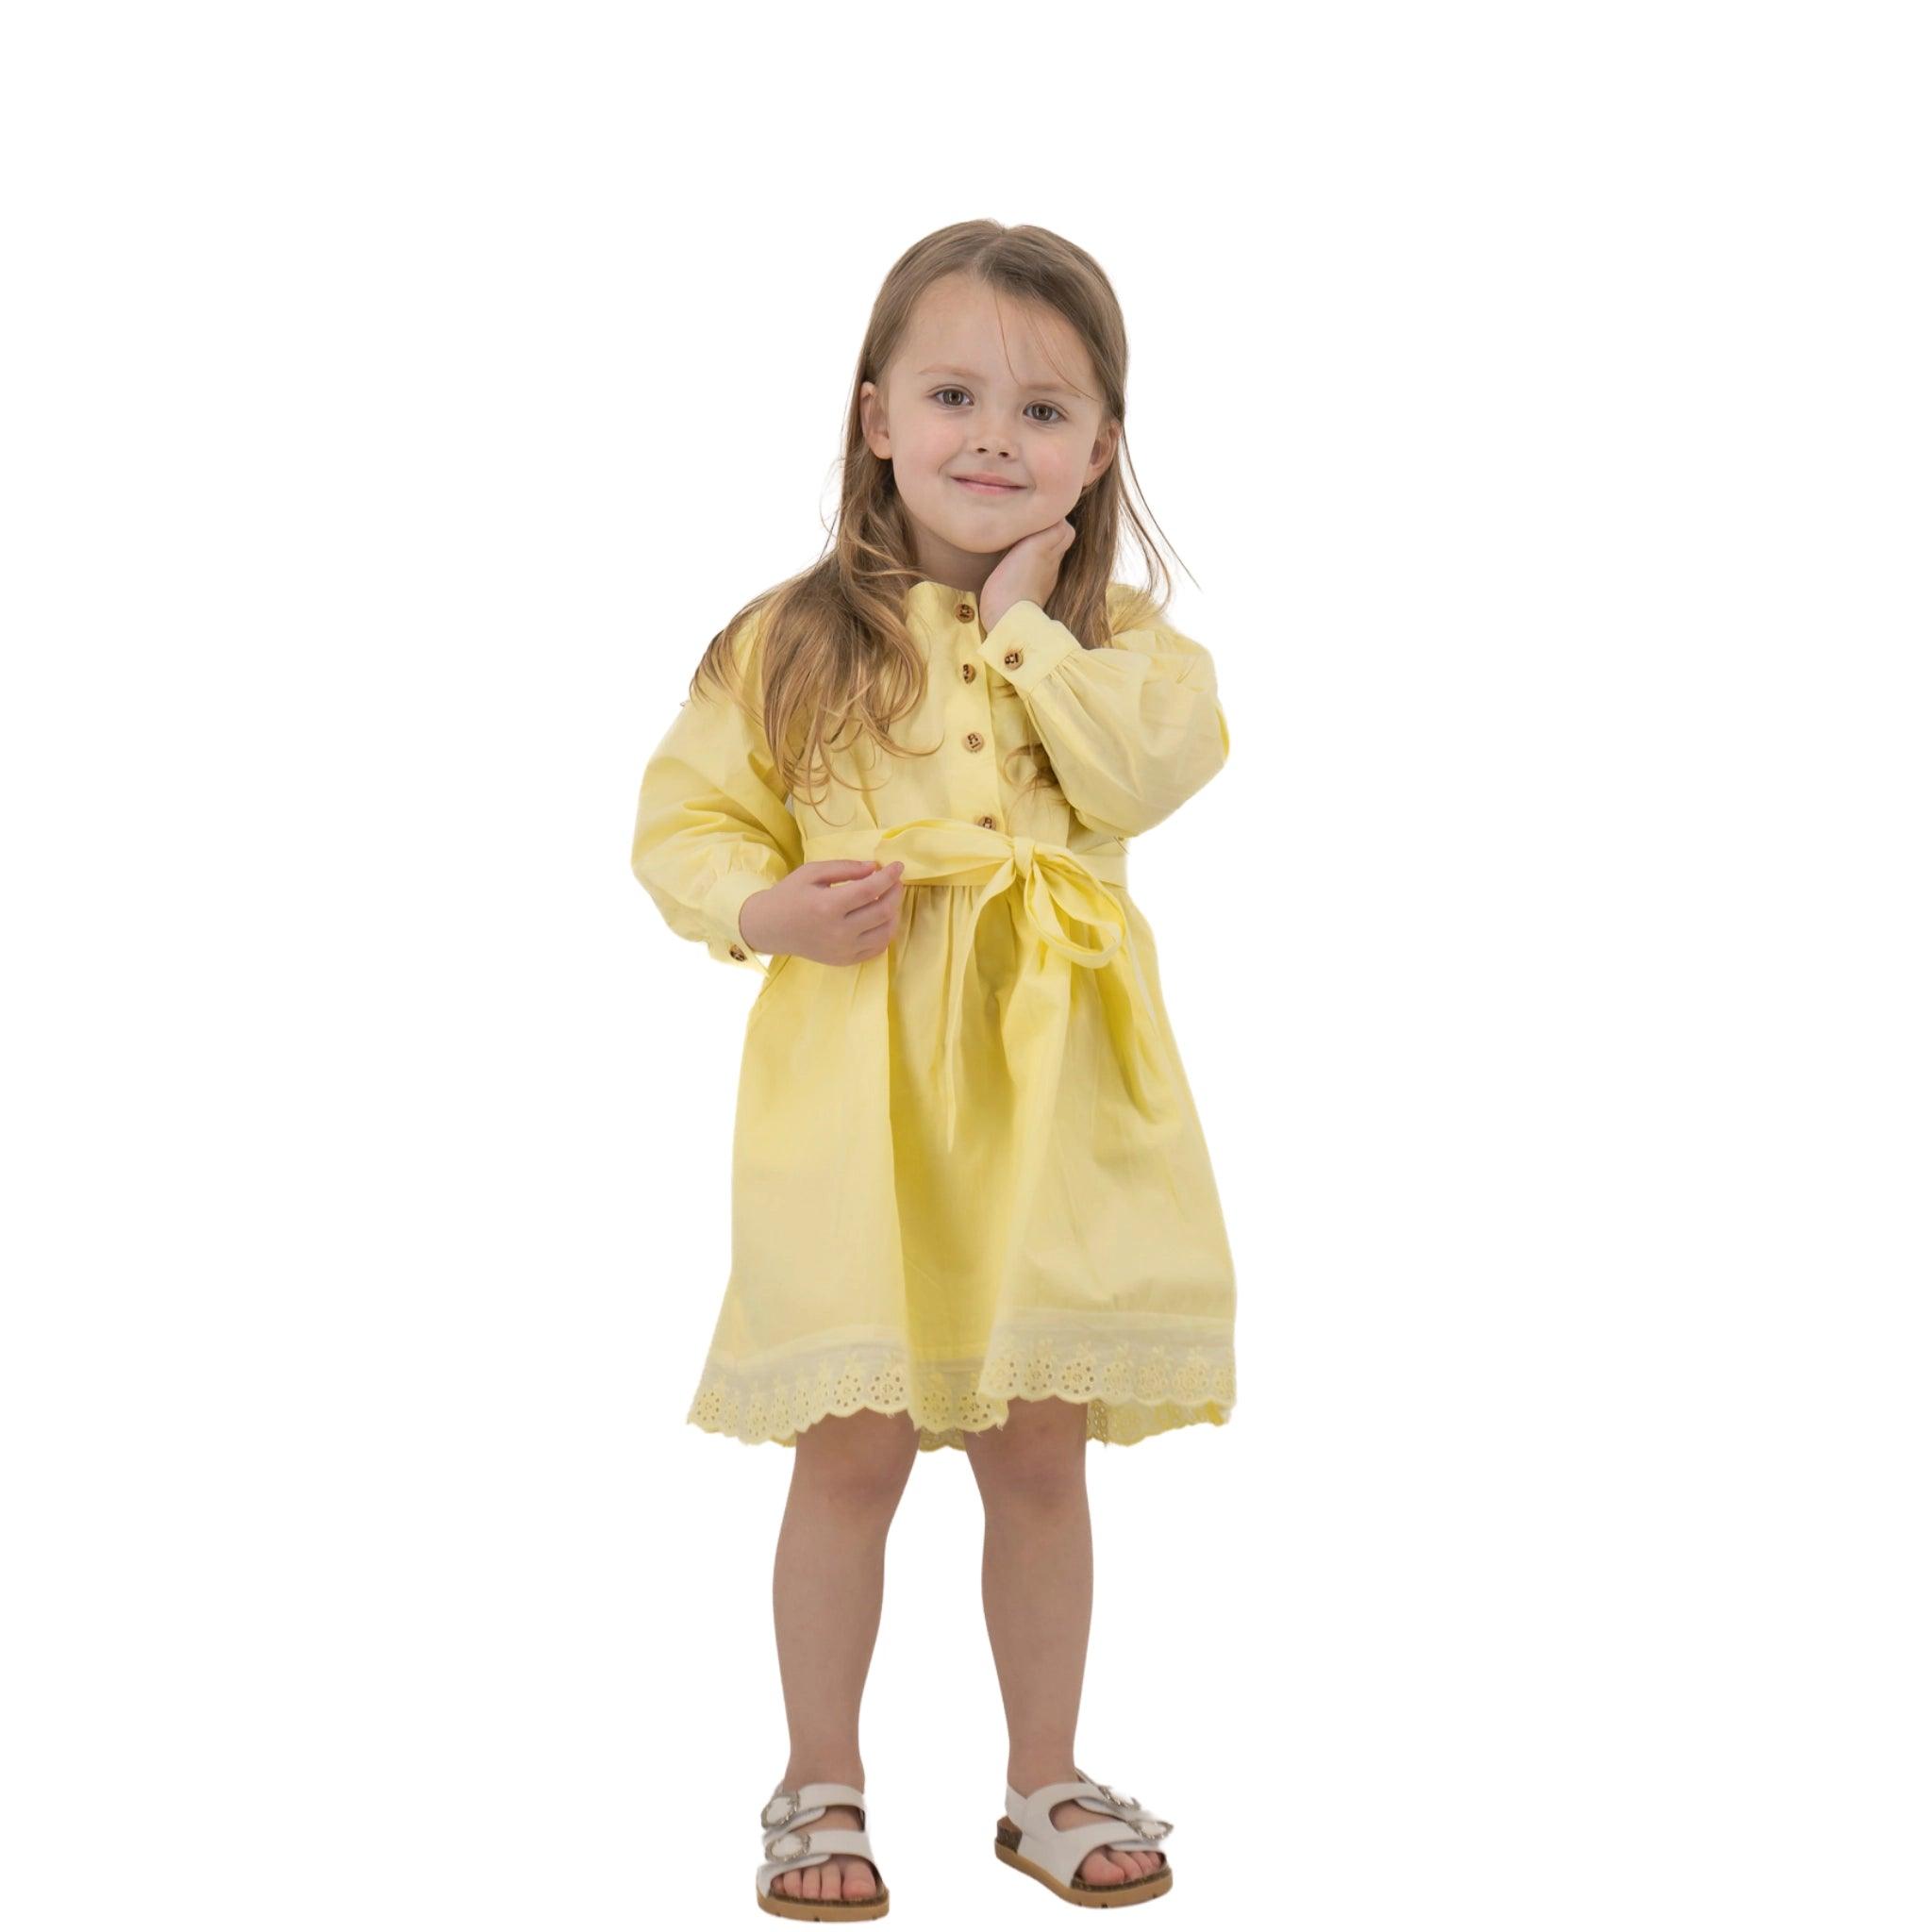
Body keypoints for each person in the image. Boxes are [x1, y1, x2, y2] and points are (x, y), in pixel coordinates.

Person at [628, 220, 1234, 1918]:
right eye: (953, 392)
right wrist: (764, 906)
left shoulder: (1131, 650)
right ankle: (819, 1780)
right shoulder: (785, 643)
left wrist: (1034, 624)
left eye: (1044, 411)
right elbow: (681, 823)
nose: (993, 435)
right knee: (857, 1444)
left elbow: (1135, 783)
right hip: (860, 1098)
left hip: (1057, 1101)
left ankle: (1043, 1776)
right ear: (875, 415)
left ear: (1100, 447)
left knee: (1041, 1444)